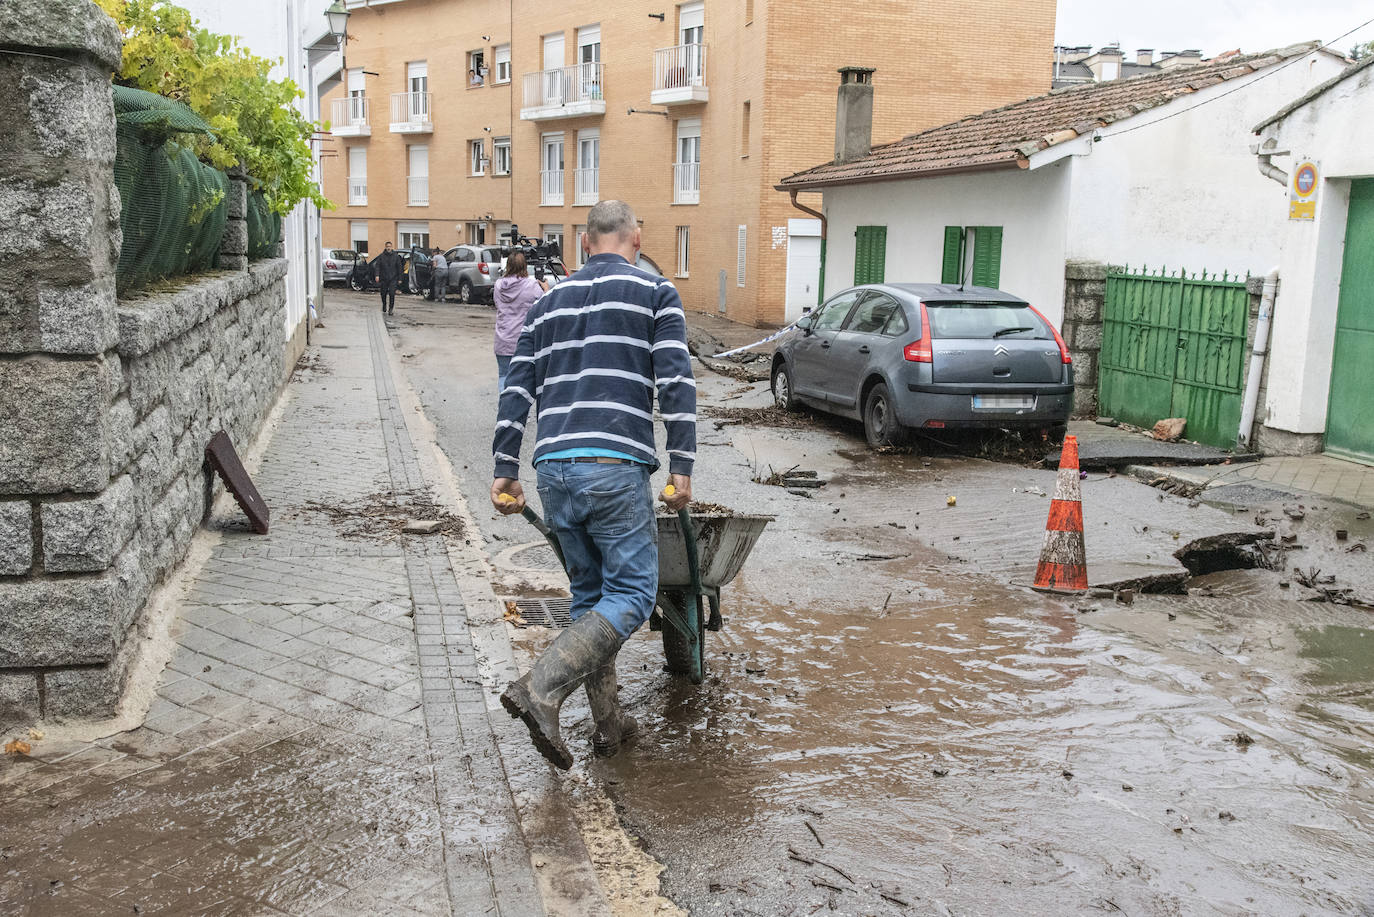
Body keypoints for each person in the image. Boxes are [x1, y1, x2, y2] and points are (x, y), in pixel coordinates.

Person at [491, 200, 695, 770]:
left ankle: (609, 727)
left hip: (553, 467)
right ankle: (541, 688)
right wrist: (683, 467)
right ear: (637, 237)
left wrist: (506, 466)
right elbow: (676, 383)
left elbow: (516, 390)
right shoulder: (656, 294)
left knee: (590, 602)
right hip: (613, 466)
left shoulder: (547, 301)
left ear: (585, 244)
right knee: (631, 594)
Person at [492, 251, 548, 390]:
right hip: (522, 340)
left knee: (503, 375)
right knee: (522, 380)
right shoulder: (532, 286)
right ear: (524, 266)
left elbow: (498, 305)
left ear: (508, 266)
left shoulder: (498, 286)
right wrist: (546, 290)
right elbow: (544, 305)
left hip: (502, 339)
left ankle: (504, 407)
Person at [372, 241, 402, 314]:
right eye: (387, 246)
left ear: (392, 247)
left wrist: (400, 278)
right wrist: (377, 275)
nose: (388, 248)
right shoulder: (381, 256)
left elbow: (399, 268)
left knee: (392, 293)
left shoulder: (396, 256)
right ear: (385, 247)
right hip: (384, 278)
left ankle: (391, 308)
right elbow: (377, 266)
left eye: (390, 246)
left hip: (393, 278)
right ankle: (384, 305)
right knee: (383, 293)